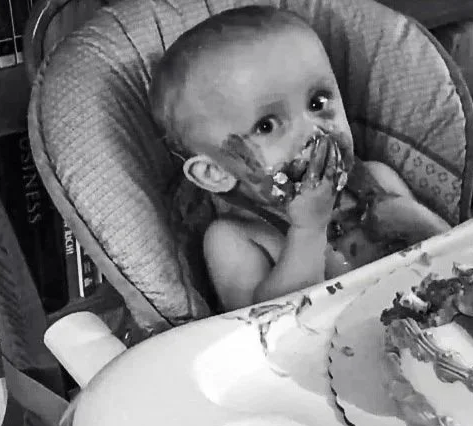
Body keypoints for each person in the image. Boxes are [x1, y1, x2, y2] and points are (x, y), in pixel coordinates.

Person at [149, 6, 451, 311]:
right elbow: (260, 334)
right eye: (266, 125)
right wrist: (308, 231)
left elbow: (457, 252)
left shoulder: (378, 180)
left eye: (317, 102)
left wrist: (413, 218)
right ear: (215, 172)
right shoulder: (234, 240)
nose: (313, 131)